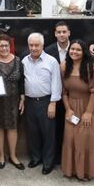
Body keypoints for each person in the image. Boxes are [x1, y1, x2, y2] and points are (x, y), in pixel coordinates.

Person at [61, 40, 94, 180]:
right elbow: (63, 92)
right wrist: (68, 109)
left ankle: (87, 171)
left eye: (78, 50)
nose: (74, 52)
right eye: (72, 49)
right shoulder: (64, 67)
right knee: (70, 138)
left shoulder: (91, 67)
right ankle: (73, 170)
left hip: (90, 106)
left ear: (84, 52)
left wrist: (88, 113)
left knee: (85, 139)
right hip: (72, 106)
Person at [22, 32, 62, 174]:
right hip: (29, 102)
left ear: (42, 45)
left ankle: (48, 162)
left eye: (36, 45)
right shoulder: (24, 61)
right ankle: (35, 157)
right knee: (32, 132)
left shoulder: (51, 61)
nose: (33, 48)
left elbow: (57, 83)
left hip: (46, 101)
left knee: (48, 134)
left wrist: (53, 103)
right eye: (31, 45)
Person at [0, 34, 25, 170]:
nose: (4, 48)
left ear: (10, 46)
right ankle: (1, 155)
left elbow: (22, 80)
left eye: (6, 45)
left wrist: (23, 97)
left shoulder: (17, 60)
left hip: (14, 100)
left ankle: (13, 156)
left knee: (13, 127)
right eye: (1, 46)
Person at [45, 21, 71, 164]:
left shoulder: (76, 48)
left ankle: (70, 156)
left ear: (69, 33)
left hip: (73, 96)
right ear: (55, 34)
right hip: (54, 96)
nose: (61, 34)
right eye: (59, 32)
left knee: (72, 127)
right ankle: (56, 157)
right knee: (55, 128)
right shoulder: (48, 51)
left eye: (64, 32)